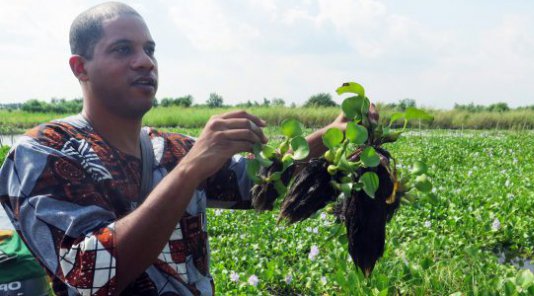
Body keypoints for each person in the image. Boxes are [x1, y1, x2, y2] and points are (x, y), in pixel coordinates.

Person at [0, 2, 371, 295]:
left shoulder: (171, 148)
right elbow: (93, 276)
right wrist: (190, 170)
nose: (144, 61)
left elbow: (258, 185)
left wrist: (333, 135)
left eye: (149, 49)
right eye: (122, 49)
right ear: (80, 68)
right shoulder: (43, 152)